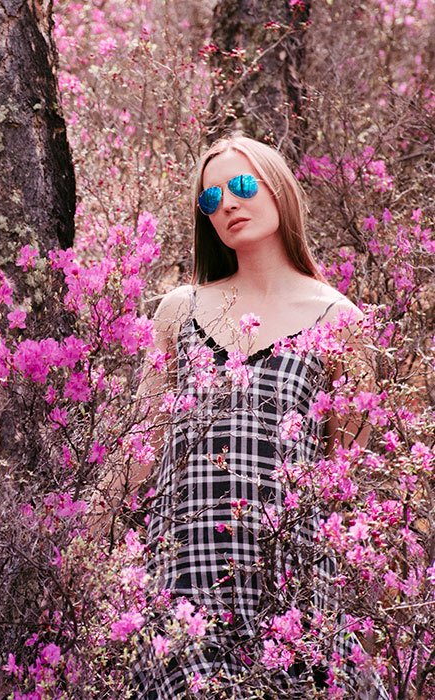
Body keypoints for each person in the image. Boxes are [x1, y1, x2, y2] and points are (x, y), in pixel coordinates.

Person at [133, 134, 382, 698]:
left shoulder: (339, 320)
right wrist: (81, 548)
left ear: (278, 189)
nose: (227, 203)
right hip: (185, 575)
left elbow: (342, 472)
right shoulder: (179, 311)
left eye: (242, 185)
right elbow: (139, 447)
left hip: (288, 581)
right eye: (210, 198)